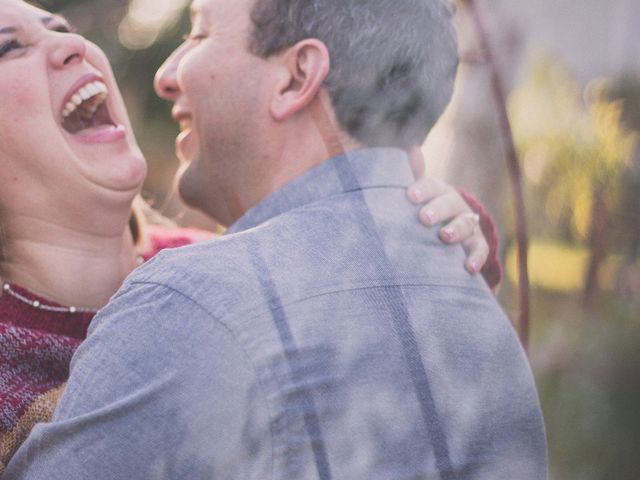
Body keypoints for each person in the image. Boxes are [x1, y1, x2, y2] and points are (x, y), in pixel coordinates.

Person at [0, 0, 501, 475]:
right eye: (10, 47)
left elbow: (345, 276)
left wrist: (433, 219)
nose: (74, 46)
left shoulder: (212, 269)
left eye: (62, 28)